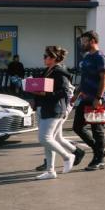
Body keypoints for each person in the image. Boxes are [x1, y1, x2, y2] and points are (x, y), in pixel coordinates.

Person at [31, 46, 82, 180]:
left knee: (44, 138)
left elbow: (64, 92)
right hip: (45, 107)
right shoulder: (48, 70)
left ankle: (68, 156)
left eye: (45, 56)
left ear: (53, 58)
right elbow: (42, 88)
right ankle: (50, 171)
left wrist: (44, 94)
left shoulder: (59, 71)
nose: (43, 58)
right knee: (50, 140)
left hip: (55, 109)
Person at [71, 30, 105, 171]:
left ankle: (99, 160)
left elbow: (104, 78)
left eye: (84, 41)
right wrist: (77, 94)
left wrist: (98, 98)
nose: (82, 44)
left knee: (96, 130)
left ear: (92, 41)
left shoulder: (100, 57)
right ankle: (99, 150)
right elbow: (84, 79)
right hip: (85, 98)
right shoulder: (87, 58)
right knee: (77, 127)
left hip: (97, 99)